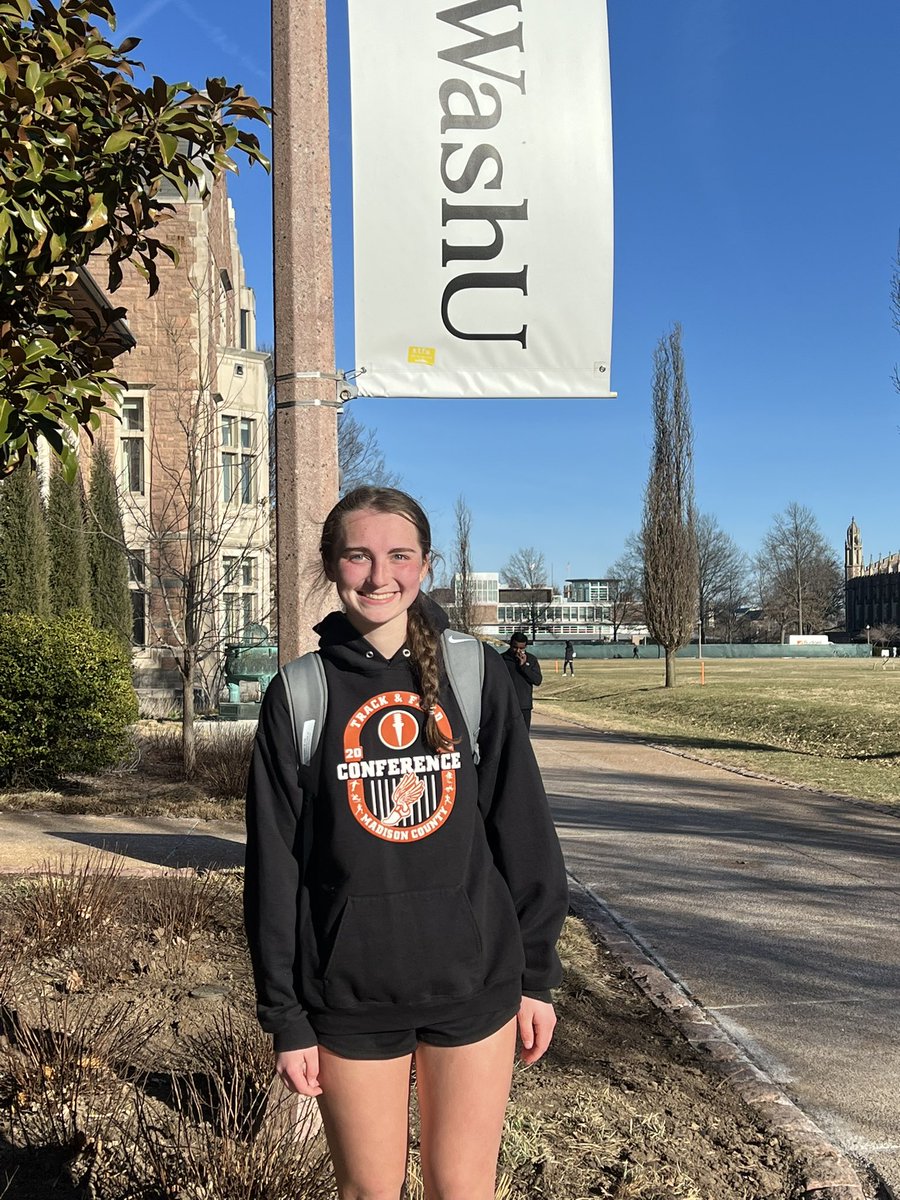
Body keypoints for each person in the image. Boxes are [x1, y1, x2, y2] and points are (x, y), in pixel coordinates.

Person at [244, 487, 568, 1200]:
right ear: (331, 565)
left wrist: (536, 977)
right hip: (348, 997)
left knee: (463, 1189)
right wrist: (285, 1017)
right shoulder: (300, 694)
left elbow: (524, 832)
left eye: (400, 555)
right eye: (358, 555)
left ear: (426, 565)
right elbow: (275, 869)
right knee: (369, 1191)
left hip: (475, 985)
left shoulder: (476, 676)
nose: (379, 575)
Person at [501, 631, 543, 730]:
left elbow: (537, 680)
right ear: (510, 645)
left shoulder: (531, 659)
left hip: (524, 705)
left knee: (523, 736)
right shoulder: (501, 659)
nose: (518, 651)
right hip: (506, 705)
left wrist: (524, 666)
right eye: (515, 647)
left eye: (522, 648)